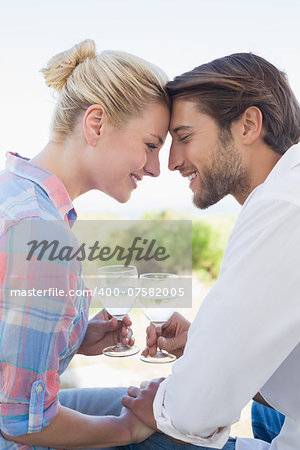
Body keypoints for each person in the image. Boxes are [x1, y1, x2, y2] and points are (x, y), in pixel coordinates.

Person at [122, 52, 300, 450]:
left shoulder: (285, 206)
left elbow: (192, 414)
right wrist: (203, 341)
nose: (171, 162)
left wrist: (168, 406)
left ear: (248, 125)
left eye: (184, 137)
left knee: (131, 428)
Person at [0, 39, 170, 449]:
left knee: (165, 408)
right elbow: (21, 423)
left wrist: (74, 337)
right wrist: (126, 430)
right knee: (167, 425)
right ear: (96, 124)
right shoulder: (42, 233)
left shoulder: (17, 196)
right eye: (150, 145)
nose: (156, 168)